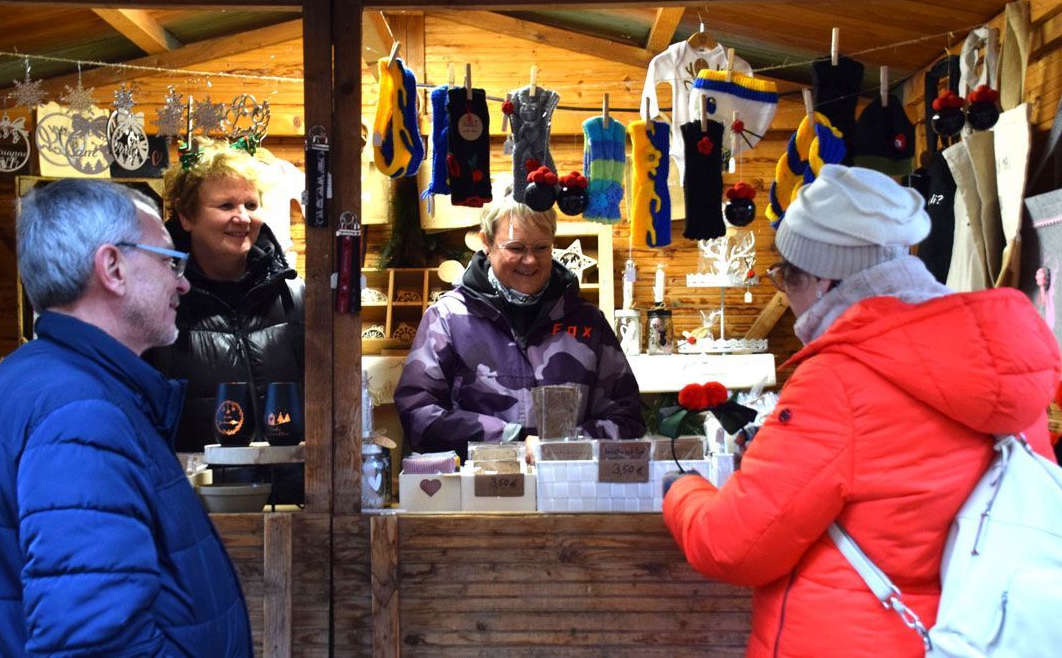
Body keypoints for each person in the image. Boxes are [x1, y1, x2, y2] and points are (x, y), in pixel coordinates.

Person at [662, 165, 1060, 657]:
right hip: (978, 634)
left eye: (787, 276)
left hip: (849, 636)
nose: (784, 295)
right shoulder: (1004, 361)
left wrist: (682, 491)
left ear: (825, 280)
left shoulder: (838, 378)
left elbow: (735, 544)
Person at [0, 179, 251, 656]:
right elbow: (95, 642)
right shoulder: (80, 412)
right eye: (167, 261)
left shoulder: (34, 374)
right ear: (112, 268)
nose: (182, 281)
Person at [395, 187, 645, 459]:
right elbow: (418, 414)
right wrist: (510, 441)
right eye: (515, 248)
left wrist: (563, 445)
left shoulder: (587, 321)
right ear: (486, 242)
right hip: (478, 494)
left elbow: (627, 418)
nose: (530, 260)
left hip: (566, 492)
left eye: (541, 247)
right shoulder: (447, 319)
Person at [147, 141, 305, 498]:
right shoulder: (162, 304)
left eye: (251, 204)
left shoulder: (294, 296)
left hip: (293, 503)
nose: (243, 217)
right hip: (200, 507)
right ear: (187, 217)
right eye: (226, 205)